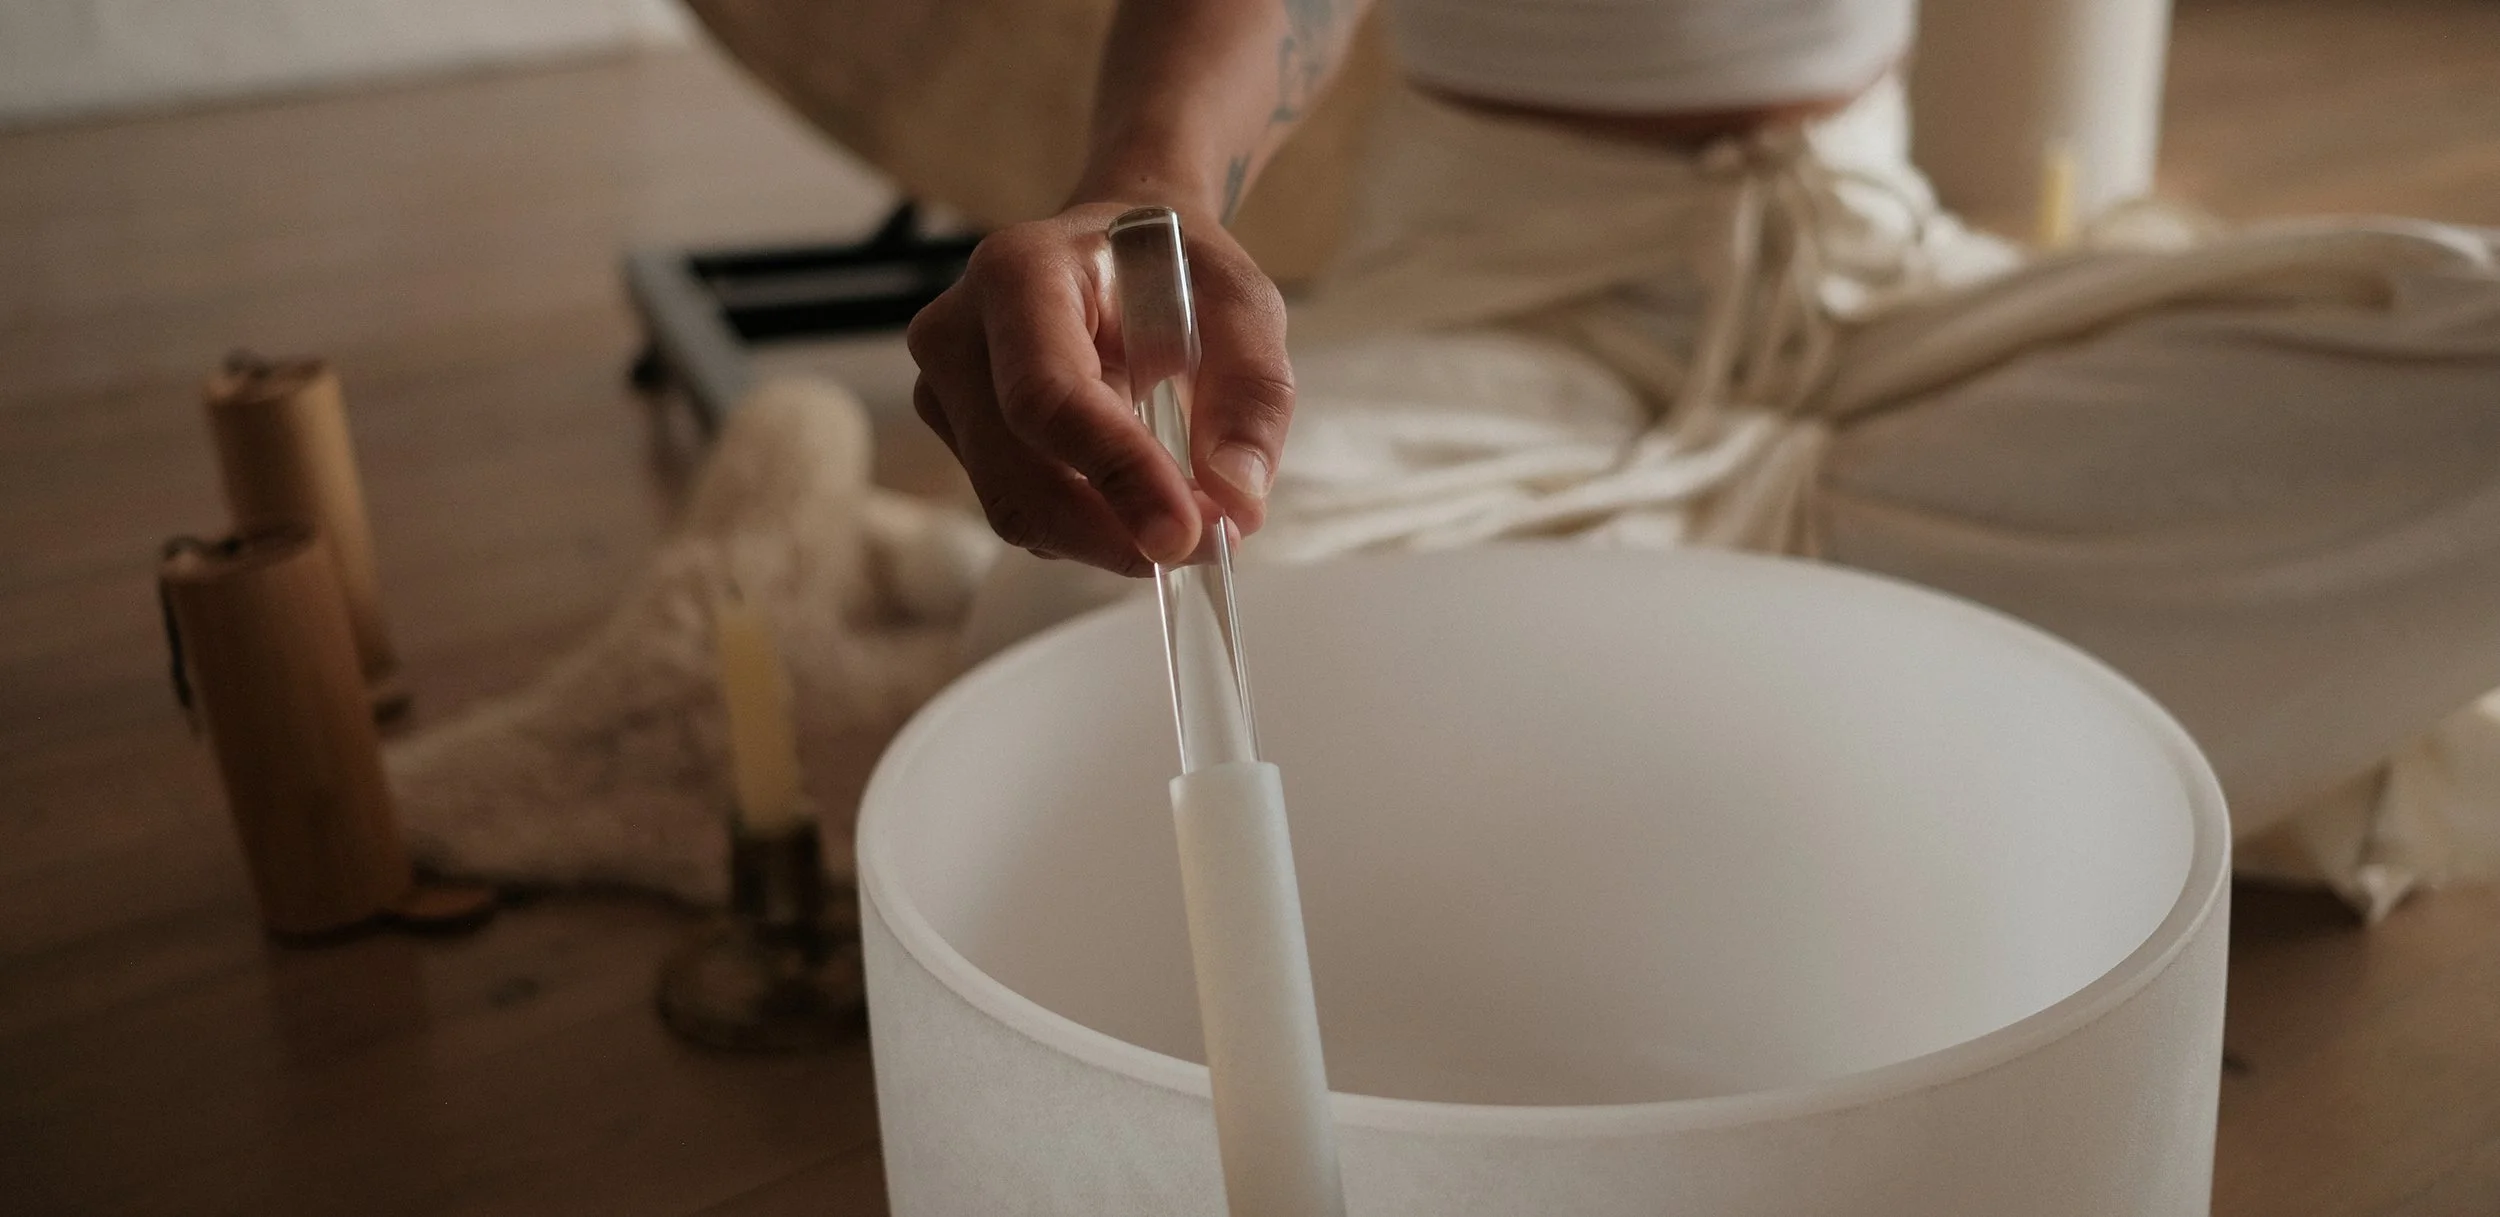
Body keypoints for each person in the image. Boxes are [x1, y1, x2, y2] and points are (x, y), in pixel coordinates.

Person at [905, 0, 2500, 914]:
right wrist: (1144, 189)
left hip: (1887, 276)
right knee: (1085, 637)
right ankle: (1955, 745)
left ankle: (1652, 740)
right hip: (1511, 300)